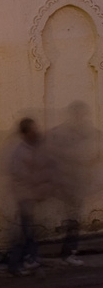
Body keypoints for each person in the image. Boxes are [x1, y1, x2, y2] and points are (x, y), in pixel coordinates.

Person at [47, 102, 100, 266]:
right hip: (67, 184)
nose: (81, 116)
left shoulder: (86, 132)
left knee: (73, 220)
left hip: (75, 183)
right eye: (79, 113)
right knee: (73, 220)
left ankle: (68, 252)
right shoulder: (64, 133)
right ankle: (68, 253)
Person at [7, 118, 53, 277]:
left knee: (27, 231)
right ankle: (18, 263)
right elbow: (24, 176)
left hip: (31, 196)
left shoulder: (33, 148)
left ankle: (27, 260)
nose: (36, 132)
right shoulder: (22, 152)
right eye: (33, 129)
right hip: (25, 196)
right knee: (25, 232)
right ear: (25, 133)